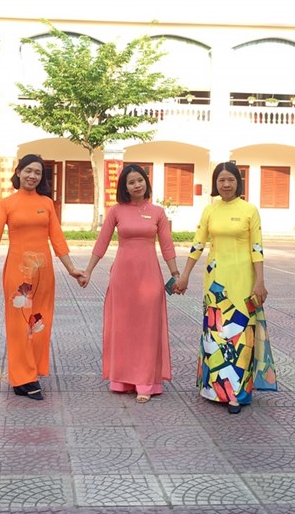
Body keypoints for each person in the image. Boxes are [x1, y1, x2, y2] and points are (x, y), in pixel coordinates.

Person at [0, 154, 84, 400]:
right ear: (18, 172)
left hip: (44, 273)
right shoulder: (8, 204)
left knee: (40, 322)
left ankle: (30, 373)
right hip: (18, 273)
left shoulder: (46, 203)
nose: (32, 176)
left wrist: (72, 269)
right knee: (19, 324)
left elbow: (58, 239)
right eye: (28, 170)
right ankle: (23, 378)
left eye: (38, 172)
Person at [174, 162, 277, 414]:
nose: (226, 184)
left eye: (230, 179)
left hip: (243, 282)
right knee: (216, 333)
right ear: (215, 183)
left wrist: (260, 281)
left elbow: (257, 248)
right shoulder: (210, 210)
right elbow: (198, 245)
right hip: (215, 283)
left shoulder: (249, 210)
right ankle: (213, 389)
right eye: (221, 180)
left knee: (241, 336)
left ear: (238, 182)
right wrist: (185, 275)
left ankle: (237, 394)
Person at [79, 164, 179, 403]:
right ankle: (122, 379)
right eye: (131, 182)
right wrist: (88, 271)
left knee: (147, 329)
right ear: (124, 187)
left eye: (140, 180)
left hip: (149, 277)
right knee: (123, 328)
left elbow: (167, 245)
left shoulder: (157, 212)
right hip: (123, 278)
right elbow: (102, 242)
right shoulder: (116, 211)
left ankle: (146, 382)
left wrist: (176, 274)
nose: (137, 185)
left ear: (146, 182)